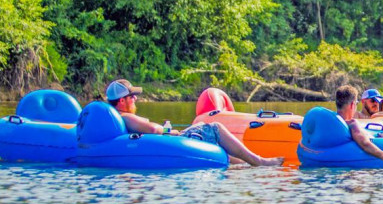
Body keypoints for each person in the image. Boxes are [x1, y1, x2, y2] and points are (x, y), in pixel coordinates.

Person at [106, 79, 283, 167]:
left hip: (160, 144)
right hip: (172, 141)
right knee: (215, 128)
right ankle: (259, 161)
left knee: (220, 149)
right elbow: (153, 129)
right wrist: (168, 131)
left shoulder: (115, 117)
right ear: (122, 101)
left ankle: (245, 164)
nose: (135, 99)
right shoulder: (125, 116)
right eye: (132, 96)